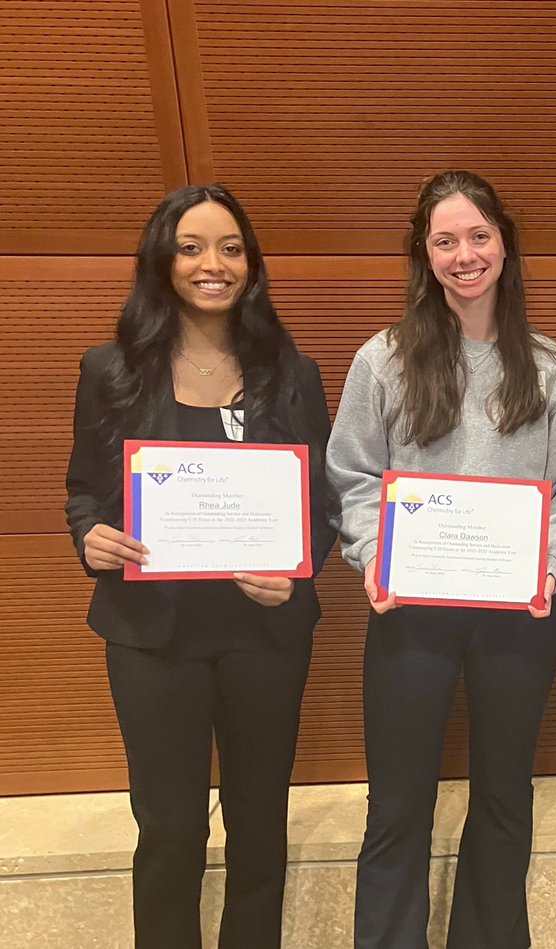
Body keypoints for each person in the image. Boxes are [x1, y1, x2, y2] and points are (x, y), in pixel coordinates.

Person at [326, 170, 556, 949]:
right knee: (398, 805)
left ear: (505, 245)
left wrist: (549, 565)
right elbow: (349, 475)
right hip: (409, 613)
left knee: (503, 799)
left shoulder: (549, 368)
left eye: (479, 236)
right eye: (445, 240)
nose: (464, 254)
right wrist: (375, 558)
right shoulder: (381, 360)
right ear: (424, 252)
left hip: (518, 615)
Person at [64, 184, 337, 948]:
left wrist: (300, 567)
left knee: (259, 819)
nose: (212, 264)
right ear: (163, 260)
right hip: (152, 634)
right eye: (191, 247)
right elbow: (85, 490)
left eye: (230, 248)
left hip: (265, 632)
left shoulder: (293, 373)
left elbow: (322, 508)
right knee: (169, 824)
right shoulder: (110, 369)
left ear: (250, 264)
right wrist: (91, 538)